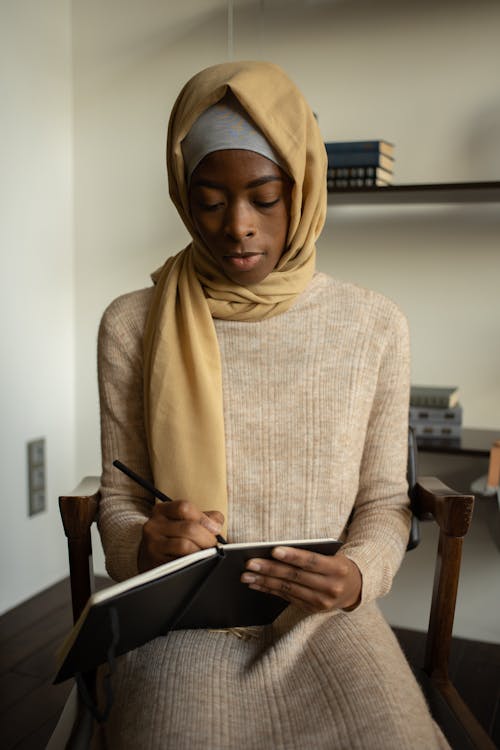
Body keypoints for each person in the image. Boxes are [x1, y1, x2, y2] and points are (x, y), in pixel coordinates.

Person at [96, 61, 449, 749]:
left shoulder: (374, 324)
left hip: (326, 617)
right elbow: (118, 498)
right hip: (180, 615)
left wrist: (354, 577)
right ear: (181, 196)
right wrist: (144, 542)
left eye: (265, 197)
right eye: (209, 200)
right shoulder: (132, 324)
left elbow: (383, 499)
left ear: (305, 190)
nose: (238, 227)